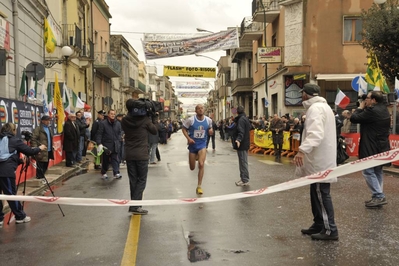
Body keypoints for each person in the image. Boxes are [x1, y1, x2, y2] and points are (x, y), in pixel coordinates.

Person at [294, 83, 339, 241]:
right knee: (316, 192)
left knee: (321, 193)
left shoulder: (315, 109)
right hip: (320, 158)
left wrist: (302, 150)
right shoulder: (323, 107)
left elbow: (315, 134)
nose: (301, 96)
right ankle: (319, 223)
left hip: (320, 160)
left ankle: (330, 229)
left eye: (302, 94)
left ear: (306, 94)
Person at [0, 123, 46, 225]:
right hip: (6, 172)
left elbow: (7, 155)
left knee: (1, 196)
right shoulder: (14, 140)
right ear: (13, 130)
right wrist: (40, 148)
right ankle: (20, 216)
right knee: (11, 195)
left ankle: (0, 218)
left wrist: (19, 161)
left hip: (4, 169)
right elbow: (29, 151)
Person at [350, 91, 390, 208]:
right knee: (377, 170)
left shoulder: (372, 111)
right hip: (382, 145)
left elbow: (354, 118)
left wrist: (360, 107)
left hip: (371, 145)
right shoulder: (384, 109)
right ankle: (377, 196)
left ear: (374, 100)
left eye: (367, 98)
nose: (365, 100)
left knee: (367, 170)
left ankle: (378, 195)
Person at [121, 99, 158, 215]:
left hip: (130, 155)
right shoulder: (146, 120)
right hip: (141, 155)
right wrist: (154, 118)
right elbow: (154, 131)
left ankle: (134, 205)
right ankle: (135, 205)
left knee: (133, 180)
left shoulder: (125, 120)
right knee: (141, 180)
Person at [182, 104, 213, 195]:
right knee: (192, 168)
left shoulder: (208, 120)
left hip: (202, 145)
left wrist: (211, 131)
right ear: (196, 111)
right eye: (198, 108)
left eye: (202, 108)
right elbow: (183, 129)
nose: (200, 110)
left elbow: (210, 129)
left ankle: (199, 186)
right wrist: (188, 138)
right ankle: (196, 156)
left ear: (204, 110)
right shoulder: (190, 120)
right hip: (193, 145)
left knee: (201, 164)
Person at [96, 109, 122, 180]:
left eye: (114, 114)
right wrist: (99, 143)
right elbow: (99, 134)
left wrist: (119, 138)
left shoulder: (118, 123)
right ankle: (104, 172)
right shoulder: (103, 123)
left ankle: (116, 172)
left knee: (115, 159)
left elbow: (120, 132)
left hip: (115, 144)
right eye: (111, 114)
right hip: (106, 145)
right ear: (108, 114)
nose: (113, 115)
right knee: (106, 160)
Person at [31, 115, 54, 184]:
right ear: (42, 121)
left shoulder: (49, 129)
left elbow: (50, 139)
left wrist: (52, 146)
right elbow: (33, 139)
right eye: (47, 120)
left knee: (45, 165)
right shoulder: (38, 129)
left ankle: (42, 177)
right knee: (40, 165)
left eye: (49, 120)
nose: (48, 122)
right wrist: (36, 149)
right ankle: (39, 178)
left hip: (48, 150)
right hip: (41, 151)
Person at [232, 106, 251, 186]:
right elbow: (249, 128)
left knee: (243, 162)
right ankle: (243, 178)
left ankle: (245, 179)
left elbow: (241, 131)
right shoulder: (244, 118)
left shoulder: (241, 120)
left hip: (242, 144)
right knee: (243, 161)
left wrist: (238, 140)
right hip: (244, 143)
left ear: (237, 112)